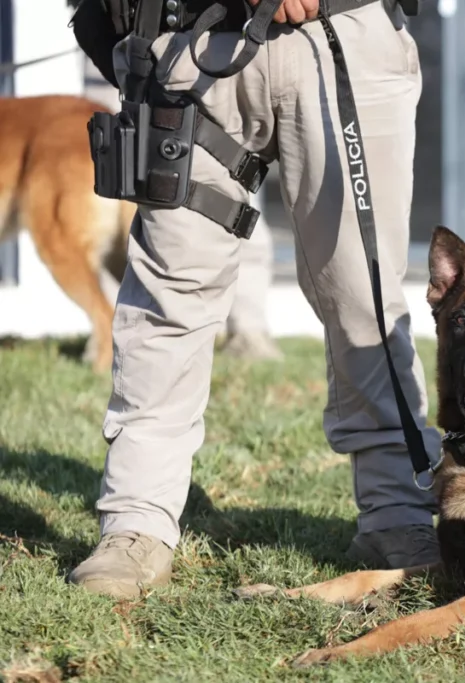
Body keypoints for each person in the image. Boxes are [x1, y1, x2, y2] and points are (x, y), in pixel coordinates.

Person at [68, 0, 441, 598]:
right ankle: (135, 526)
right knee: (169, 297)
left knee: (364, 298)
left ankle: (397, 517)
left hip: (340, 33)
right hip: (189, 36)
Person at [84, 57, 283, 361]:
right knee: (127, 205)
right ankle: (118, 332)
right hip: (117, 59)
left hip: (199, 60)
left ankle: (248, 330)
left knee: (228, 199)